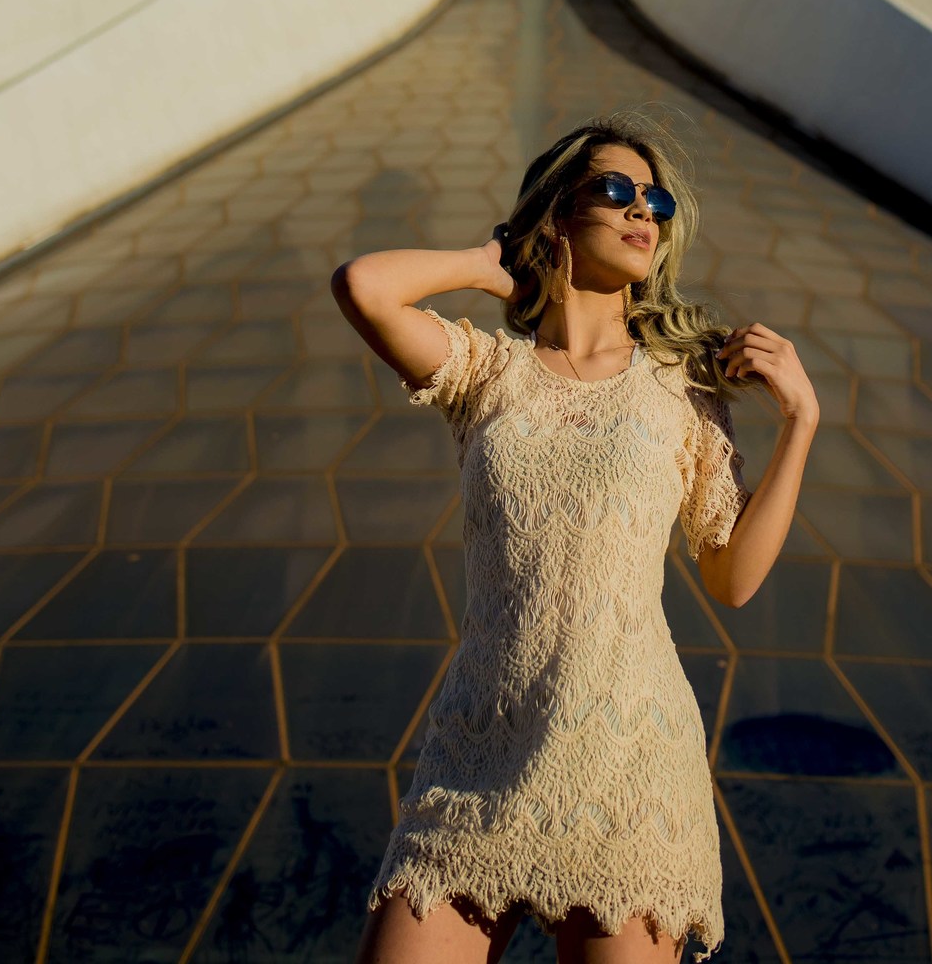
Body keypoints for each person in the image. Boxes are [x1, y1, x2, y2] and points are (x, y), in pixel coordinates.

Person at [332, 111, 820, 963]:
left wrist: (801, 423)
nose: (645, 213)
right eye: (618, 191)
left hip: (628, 754)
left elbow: (733, 578)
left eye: (657, 201)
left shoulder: (680, 389)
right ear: (558, 214)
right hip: (477, 748)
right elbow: (365, 287)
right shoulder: (488, 371)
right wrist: (487, 269)